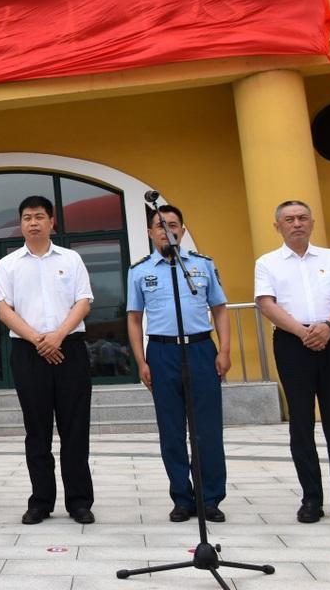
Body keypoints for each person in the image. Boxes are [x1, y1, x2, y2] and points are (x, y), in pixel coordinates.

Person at [255, 200, 330, 525]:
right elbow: (266, 303)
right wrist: (302, 331)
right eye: (289, 219)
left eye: (302, 217)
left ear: (311, 222)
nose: (296, 223)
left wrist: (329, 326)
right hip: (293, 344)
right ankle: (311, 499)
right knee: (302, 423)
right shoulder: (267, 263)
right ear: (277, 226)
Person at [0, 196, 96, 525]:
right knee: (36, 430)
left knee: (75, 429)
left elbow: (83, 302)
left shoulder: (71, 258)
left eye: (39, 216)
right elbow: (3, 309)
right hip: (28, 351)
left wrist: (57, 336)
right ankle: (41, 501)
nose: (33, 222)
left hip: (70, 348)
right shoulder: (8, 264)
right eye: (27, 217)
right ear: (20, 224)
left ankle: (79, 501)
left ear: (53, 222)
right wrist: (39, 339)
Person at [126, 204, 231, 523]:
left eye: (172, 224)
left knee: (208, 430)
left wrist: (224, 350)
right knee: (171, 430)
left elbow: (221, 310)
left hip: (200, 349)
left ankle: (211, 497)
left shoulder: (202, 266)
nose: (166, 230)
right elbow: (134, 319)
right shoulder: (140, 271)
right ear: (149, 233)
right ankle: (182, 497)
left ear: (182, 230)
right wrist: (141, 360)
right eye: (159, 225)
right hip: (162, 353)